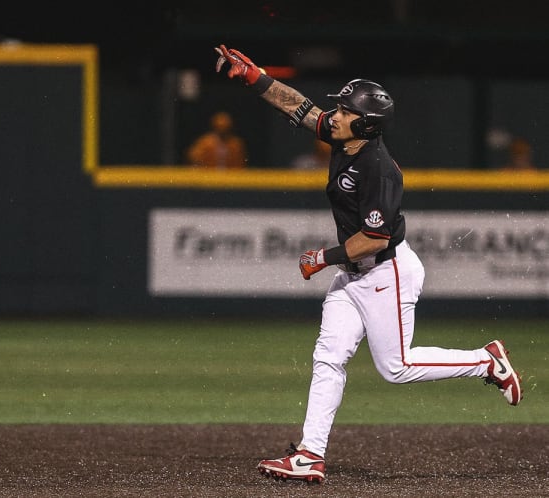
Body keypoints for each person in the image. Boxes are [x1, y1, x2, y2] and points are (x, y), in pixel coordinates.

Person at [215, 44, 523, 485]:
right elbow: (301, 108)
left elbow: (374, 239)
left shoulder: (377, 169)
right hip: (356, 274)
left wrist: (322, 257)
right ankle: (309, 455)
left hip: (385, 272)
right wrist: (254, 77)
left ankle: (485, 362)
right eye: (338, 109)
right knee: (328, 356)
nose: (334, 115)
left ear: (366, 123)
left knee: (395, 368)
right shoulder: (346, 139)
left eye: (344, 111)